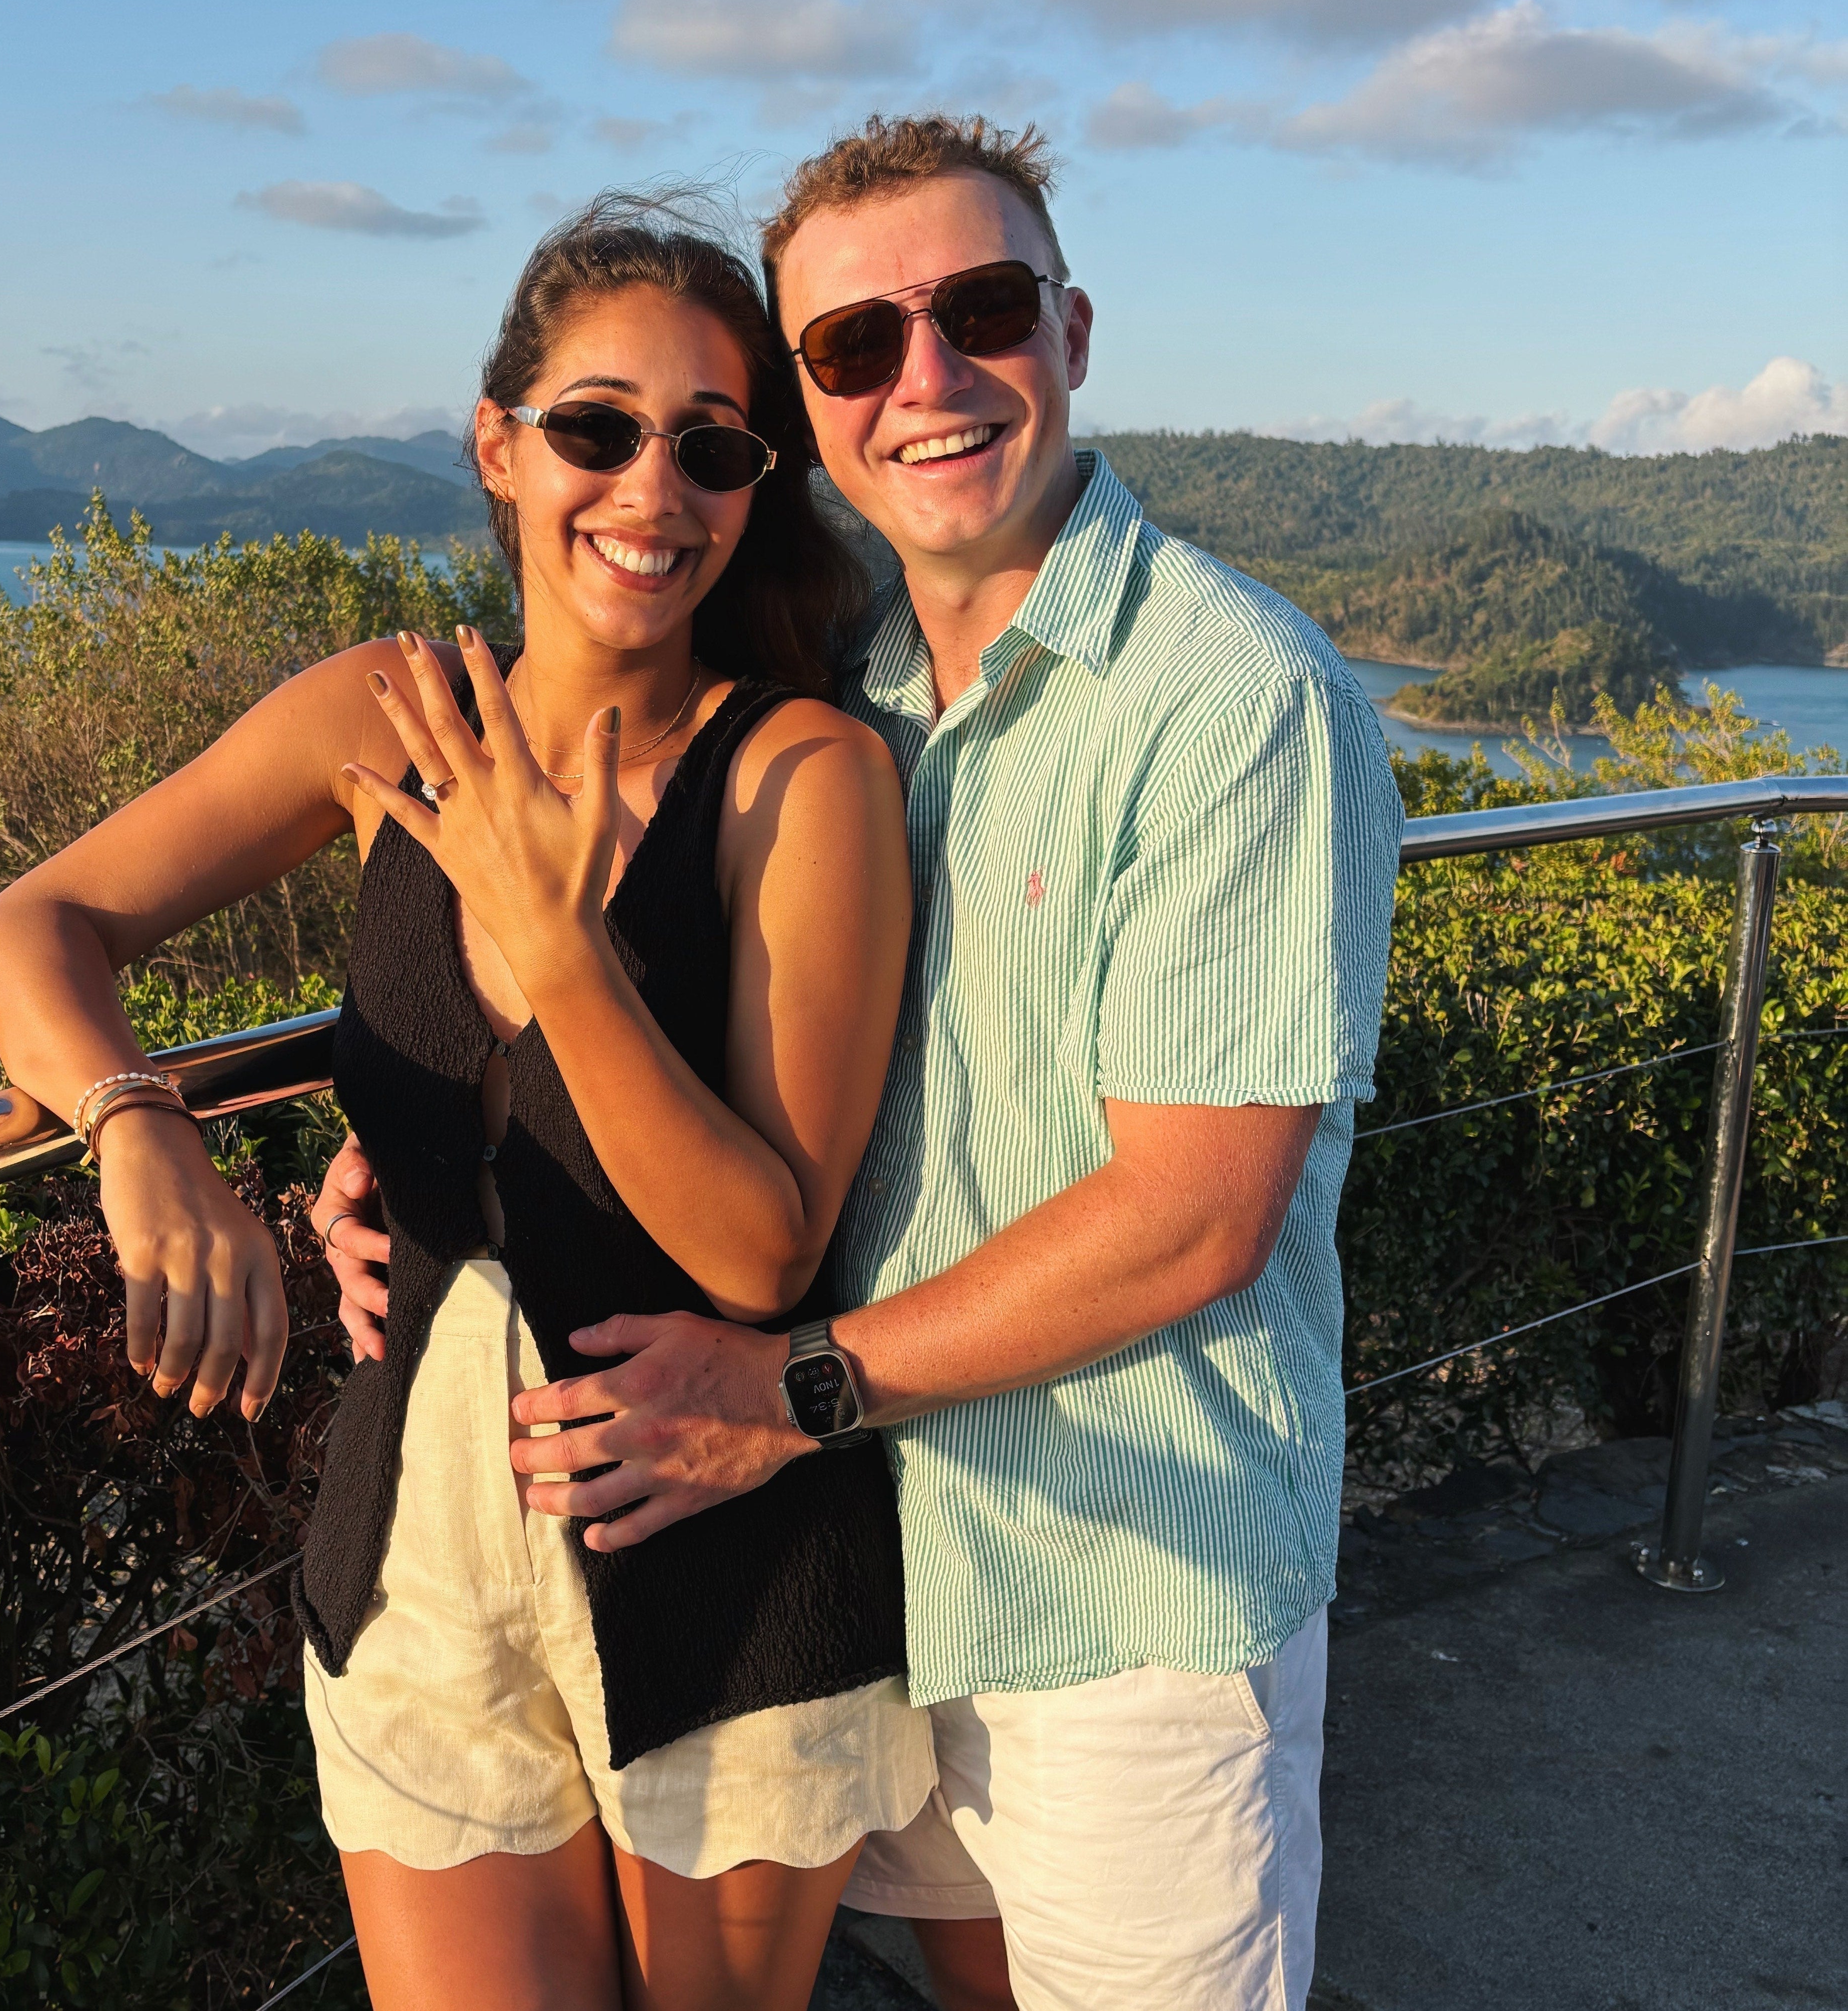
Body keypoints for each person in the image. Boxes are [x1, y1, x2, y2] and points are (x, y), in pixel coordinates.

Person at [317, 115, 1404, 2011]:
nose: (927, 376)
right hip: (899, 1553)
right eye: (849, 348)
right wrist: (433, 1167)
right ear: (815, 414)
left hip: (1113, 1575)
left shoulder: (1233, 700)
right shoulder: (869, 680)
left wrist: (799, 1382)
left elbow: (1194, 1214)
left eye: (978, 308)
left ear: (1068, 329)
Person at [0, 193, 941, 2011]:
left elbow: (761, 1244)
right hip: (413, 1549)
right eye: (595, 428)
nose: (651, 491)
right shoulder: (386, 710)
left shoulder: (800, 777)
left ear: (753, 488)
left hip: (713, 1560)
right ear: (499, 445)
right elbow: (34, 925)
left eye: (712, 448)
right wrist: (141, 1127)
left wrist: (561, 951)